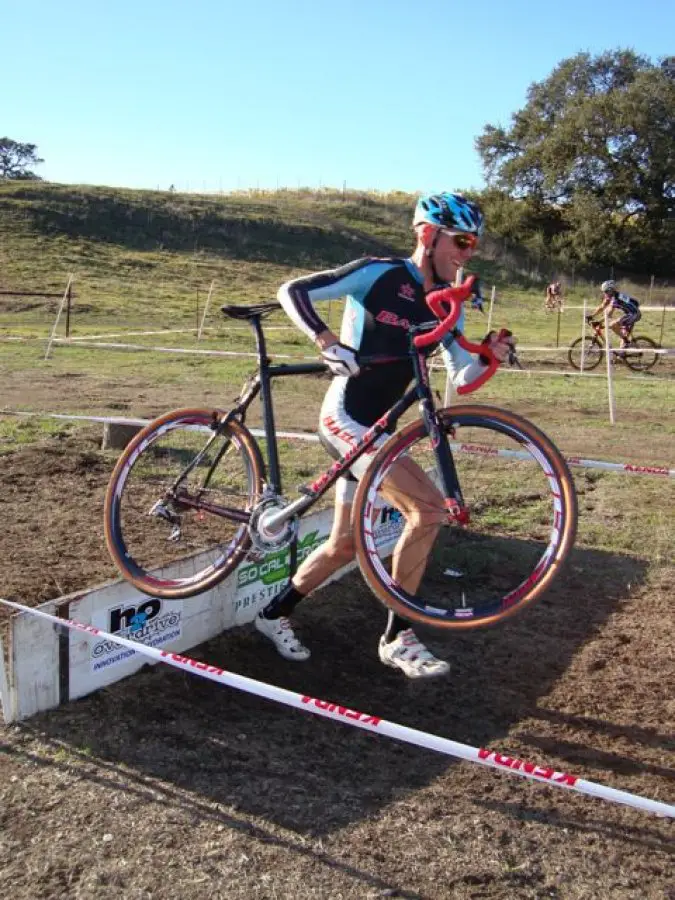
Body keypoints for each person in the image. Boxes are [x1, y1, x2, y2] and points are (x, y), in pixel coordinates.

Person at [254, 192, 515, 679]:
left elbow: (464, 377)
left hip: (380, 430)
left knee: (345, 545)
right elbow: (294, 290)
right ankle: (399, 635)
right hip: (346, 415)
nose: (467, 252)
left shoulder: (444, 304)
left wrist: (492, 355)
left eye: (473, 244)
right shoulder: (381, 273)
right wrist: (327, 342)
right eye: (461, 240)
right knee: (429, 509)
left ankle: (273, 614)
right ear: (426, 234)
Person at [588, 280, 641, 351]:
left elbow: (609, 314)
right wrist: (592, 315)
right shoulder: (610, 296)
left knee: (613, 325)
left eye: (606, 291)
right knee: (623, 337)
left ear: (611, 290)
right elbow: (602, 307)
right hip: (629, 314)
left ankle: (626, 342)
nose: (604, 293)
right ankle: (622, 353)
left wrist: (599, 321)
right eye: (604, 292)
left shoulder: (617, 298)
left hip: (634, 314)